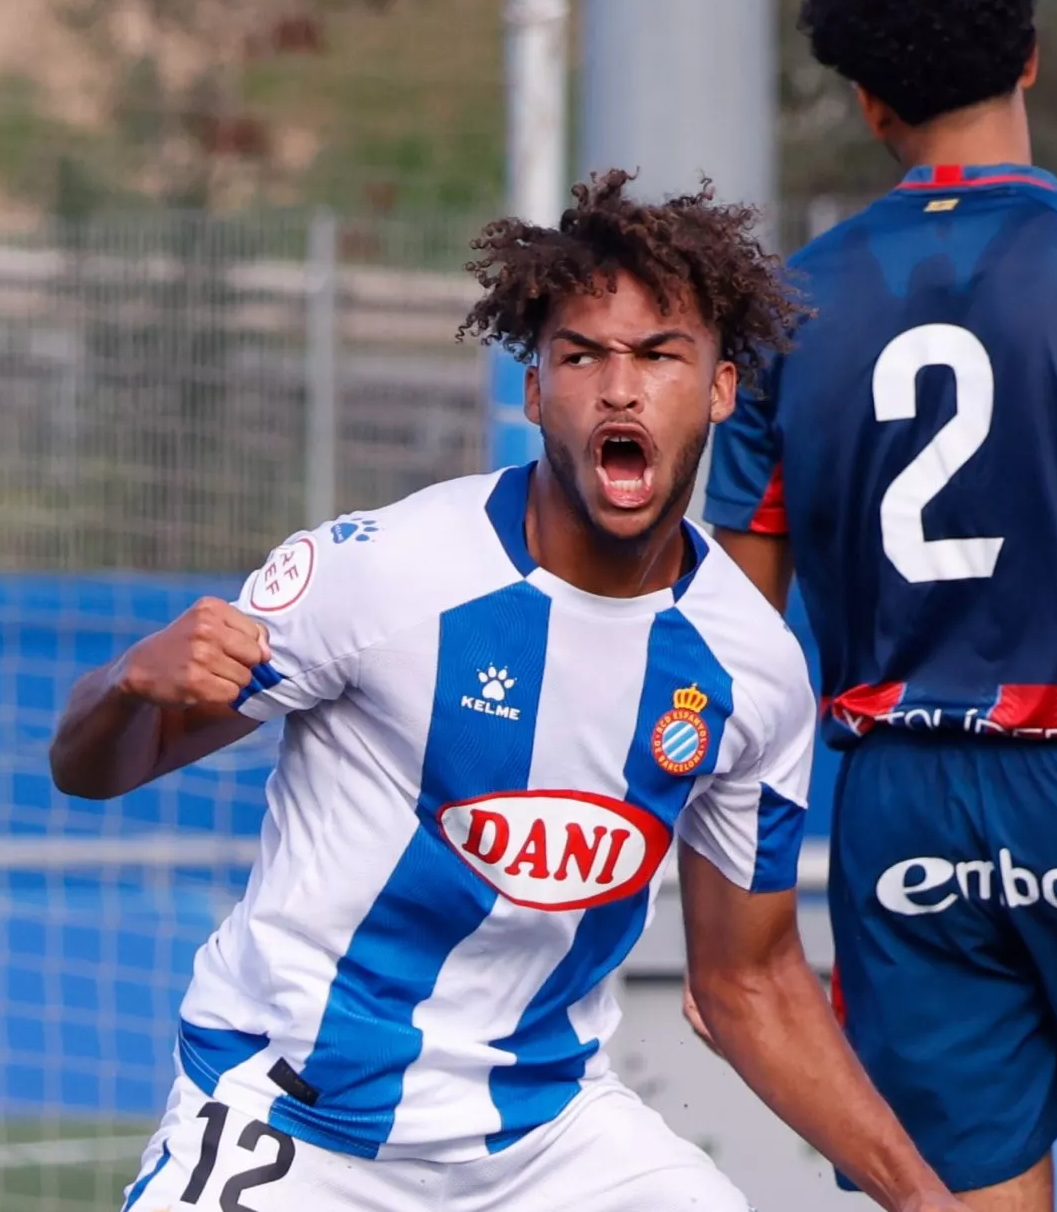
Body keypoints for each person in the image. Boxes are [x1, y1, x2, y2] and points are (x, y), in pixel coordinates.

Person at [51, 171, 965, 1212]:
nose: (620, 389)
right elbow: (88, 771)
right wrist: (126, 685)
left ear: (718, 388)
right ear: (535, 390)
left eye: (661, 355)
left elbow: (748, 981)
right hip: (301, 1123)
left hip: (546, 1141)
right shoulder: (382, 573)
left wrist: (927, 1202)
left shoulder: (749, 664)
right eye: (582, 356)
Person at [702, 0, 1057, 1210]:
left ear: (867, 100)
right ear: (1032, 61)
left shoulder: (787, 309)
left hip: (902, 804)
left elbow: (739, 633)